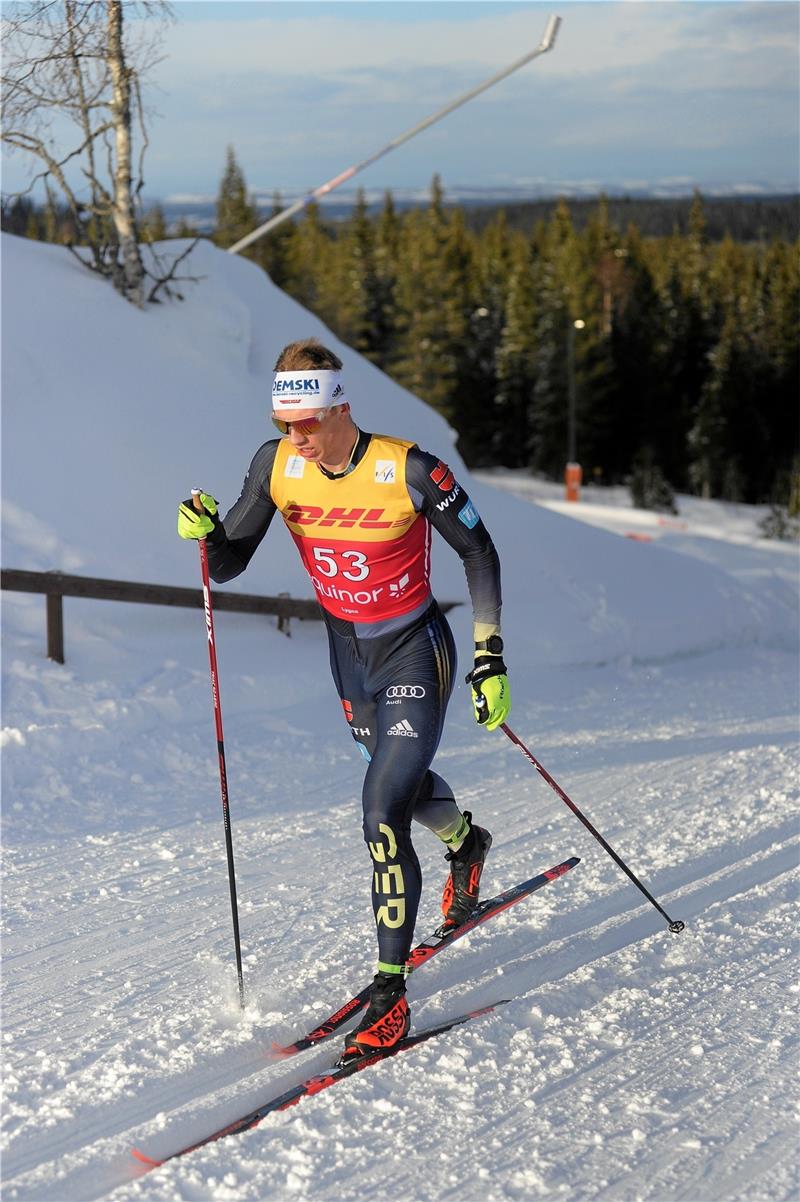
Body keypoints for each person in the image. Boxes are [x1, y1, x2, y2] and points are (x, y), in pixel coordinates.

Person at [178, 338, 510, 1061]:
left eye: (305, 422)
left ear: (340, 408)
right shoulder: (276, 465)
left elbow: (478, 552)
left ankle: (390, 994)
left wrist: (489, 655)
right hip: (349, 659)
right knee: (405, 784)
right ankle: (466, 843)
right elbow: (230, 563)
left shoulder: (409, 468)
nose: (294, 436)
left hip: (415, 649)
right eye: (282, 422)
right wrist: (206, 536)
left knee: (380, 809)